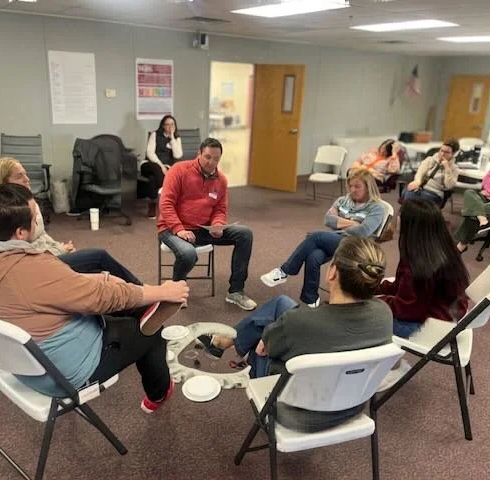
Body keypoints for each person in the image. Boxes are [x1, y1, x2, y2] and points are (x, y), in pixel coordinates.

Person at [0, 184, 189, 413]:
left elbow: (57, 288)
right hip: (65, 375)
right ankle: (159, 393)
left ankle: (141, 305)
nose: (38, 222)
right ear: (19, 233)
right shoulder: (31, 268)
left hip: (22, 367)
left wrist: (103, 278)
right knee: (150, 332)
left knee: (119, 294)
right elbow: (99, 298)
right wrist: (162, 291)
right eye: (35, 218)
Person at [197, 236, 392, 432]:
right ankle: (224, 342)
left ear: (332, 272)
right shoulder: (384, 314)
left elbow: (267, 348)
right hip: (351, 406)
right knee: (282, 304)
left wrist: (268, 338)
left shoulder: (301, 321)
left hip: (294, 413)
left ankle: (227, 344)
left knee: (261, 339)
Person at [0, 157, 141, 283]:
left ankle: (137, 299)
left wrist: (59, 247)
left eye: (26, 174)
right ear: (3, 182)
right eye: (20, 176)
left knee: (100, 276)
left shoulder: (27, 202)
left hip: (49, 254)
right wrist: (59, 251)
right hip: (37, 265)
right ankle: (141, 291)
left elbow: (41, 237)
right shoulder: (6, 213)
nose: (27, 179)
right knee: (98, 257)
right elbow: (25, 251)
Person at [375, 199, 470, 388]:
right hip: (447, 316)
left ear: (412, 224)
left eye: (401, 216)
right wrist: (377, 287)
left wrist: (375, 302)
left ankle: (394, 369)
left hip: (432, 326)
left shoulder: (418, 264)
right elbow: (404, 288)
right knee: (374, 308)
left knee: (369, 319)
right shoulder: (436, 247)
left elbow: (407, 310)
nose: (398, 219)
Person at [261, 169, 386, 308]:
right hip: (336, 240)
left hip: (357, 247)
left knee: (315, 237)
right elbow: (327, 220)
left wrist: (339, 223)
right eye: (350, 186)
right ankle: (311, 299)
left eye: (357, 187)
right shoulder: (343, 201)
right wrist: (353, 223)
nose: (352, 190)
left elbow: (363, 231)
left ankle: (284, 271)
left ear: (369, 188)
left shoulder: (377, 207)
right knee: (314, 256)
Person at [158, 137, 256, 311]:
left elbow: (220, 209)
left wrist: (218, 225)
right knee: (188, 254)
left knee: (245, 234)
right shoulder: (179, 170)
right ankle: (176, 289)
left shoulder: (221, 180)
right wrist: (179, 229)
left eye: (216, 159)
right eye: (208, 157)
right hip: (171, 229)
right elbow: (166, 204)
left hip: (203, 229)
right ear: (199, 154)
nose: (211, 162)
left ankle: (236, 291)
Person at [140, 115, 183, 218]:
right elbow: (150, 153)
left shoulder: (176, 139)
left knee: (152, 178)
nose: (170, 127)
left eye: (172, 124)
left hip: (164, 169)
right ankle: (165, 190)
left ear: (175, 126)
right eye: (167, 125)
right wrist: (161, 166)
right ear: (163, 126)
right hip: (149, 165)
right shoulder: (155, 135)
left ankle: (152, 205)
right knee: (156, 169)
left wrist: (172, 138)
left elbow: (178, 155)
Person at [402, 139, 460, 206]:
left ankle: (405, 215)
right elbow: (420, 172)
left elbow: (449, 185)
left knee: (411, 196)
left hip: (435, 193)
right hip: (421, 187)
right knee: (408, 192)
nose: (442, 154)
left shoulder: (454, 168)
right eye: (441, 150)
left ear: (453, 154)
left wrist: (447, 168)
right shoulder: (430, 159)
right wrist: (417, 182)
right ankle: (407, 215)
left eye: (446, 152)